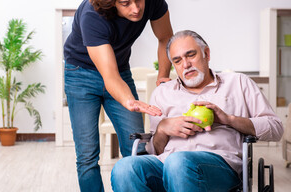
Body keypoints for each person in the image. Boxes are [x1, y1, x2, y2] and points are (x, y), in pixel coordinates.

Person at [111, 30, 284, 192]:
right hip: (166, 163)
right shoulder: (162, 93)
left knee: (178, 163)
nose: (186, 65)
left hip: (220, 165)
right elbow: (155, 150)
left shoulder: (238, 83)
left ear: (206, 54)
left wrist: (228, 119)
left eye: (191, 55)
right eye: (177, 61)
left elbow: (275, 129)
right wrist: (162, 129)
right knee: (124, 168)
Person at [63, 0, 173, 192]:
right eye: (126, 3)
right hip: (80, 75)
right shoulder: (93, 14)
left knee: (138, 148)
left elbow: (165, 39)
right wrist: (129, 101)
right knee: (87, 155)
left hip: (120, 71)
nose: (136, 9)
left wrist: (163, 77)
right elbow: (109, 76)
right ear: (112, 2)